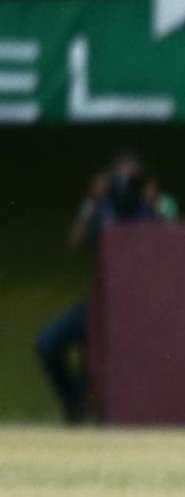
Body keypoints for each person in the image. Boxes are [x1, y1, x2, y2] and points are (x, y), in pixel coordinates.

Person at [36, 150, 176, 423]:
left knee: (109, 363)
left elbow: (176, 245)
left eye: (132, 177)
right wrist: (91, 200)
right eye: (119, 176)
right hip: (103, 305)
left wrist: (155, 202)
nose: (125, 183)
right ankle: (74, 402)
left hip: (141, 308)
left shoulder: (156, 206)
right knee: (49, 342)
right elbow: (74, 243)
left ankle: (105, 411)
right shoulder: (102, 208)